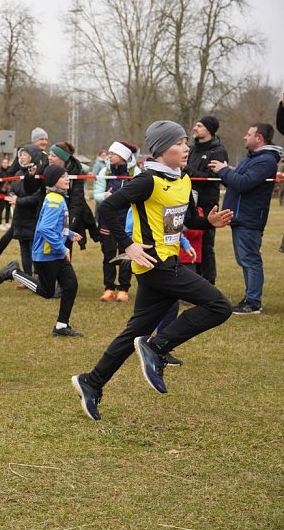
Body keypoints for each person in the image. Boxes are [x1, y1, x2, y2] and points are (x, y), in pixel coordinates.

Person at [71, 120, 234, 421]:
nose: (186, 148)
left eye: (186, 142)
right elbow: (108, 208)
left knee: (134, 332)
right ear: (160, 150)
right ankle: (156, 348)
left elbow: (184, 220)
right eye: (178, 143)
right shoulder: (147, 181)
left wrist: (207, 222)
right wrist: (128, 245)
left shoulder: (183, 179)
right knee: (219, 306)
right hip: (156, 265)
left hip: (165, 264)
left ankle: (92, 382)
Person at [0, 165, 83, 337]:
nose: (67, 179)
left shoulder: (57, 197)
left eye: (67, 175)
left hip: (55, 253)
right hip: (47, 254)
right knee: (47, 292)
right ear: (53, 181)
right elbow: (45, 229)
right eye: (63, 176)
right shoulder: (54, 200)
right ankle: (14, 272)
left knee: (70, 286)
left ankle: (61, 326)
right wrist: (62, 247)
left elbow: (56, 225)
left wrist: (70, 233)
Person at [208, 123, 283, 314]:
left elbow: (244, 183)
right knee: (245, 259)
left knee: (250, 259)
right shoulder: (253, 158)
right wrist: (224, 172)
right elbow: (236, 182)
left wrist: (224, 170)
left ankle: (253, 302)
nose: (244, 137)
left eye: (248, 134)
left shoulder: (265, 160)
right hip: (241, 217)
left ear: (259, 138)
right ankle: (250, 298)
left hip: (250, 218)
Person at [0, 145, 44, 280]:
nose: (21, 157)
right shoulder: (18, 174)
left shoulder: (38, 174)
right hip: (19, 217)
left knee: (34, 250)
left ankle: (38, 277)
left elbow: (37, 197)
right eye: (20, 155)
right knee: (24, 250)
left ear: (32, 157)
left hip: (32, 217)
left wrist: (19, 201)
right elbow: (12, 189)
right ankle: (27, 278)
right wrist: (12, 195)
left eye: (24, 154)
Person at [93, 141, 140, 302]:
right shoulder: (104, 171)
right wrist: (104, 196)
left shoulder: (135, 172)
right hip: (107, 221)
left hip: (128, 221)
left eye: (113, 153)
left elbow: (139, 194)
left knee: (126, 254)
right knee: (109, 254)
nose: (109, 156)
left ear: (123, 156)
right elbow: (96, 194)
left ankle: (123, 289)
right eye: (109, 153)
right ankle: (109, 288)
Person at [187, 115, 229, 285]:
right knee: (189, 241)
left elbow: (213, 178)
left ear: (209, 130)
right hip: (189, 202)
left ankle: (208, 283)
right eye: (195, 125)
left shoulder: (217, 151)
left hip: (207, 204)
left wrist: (188, 170)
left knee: (206, 245)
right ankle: (192, 280)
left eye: (199, 126)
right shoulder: (191, 149)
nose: (195, 128)